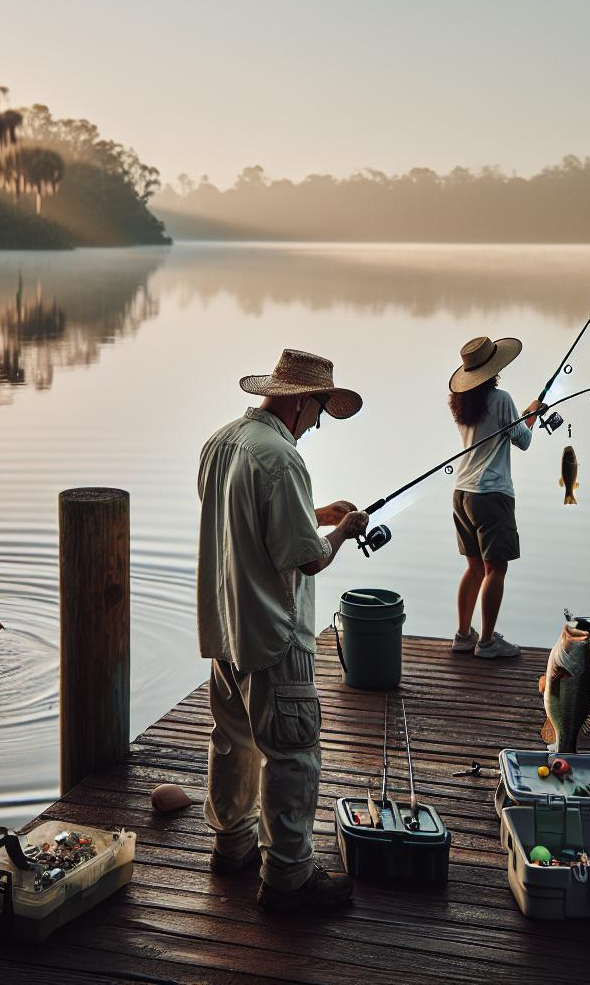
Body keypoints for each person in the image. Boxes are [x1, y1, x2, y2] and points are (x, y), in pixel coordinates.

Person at [196, 348, 370, 912]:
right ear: (301, 402)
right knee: (293, 752)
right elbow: (308, 559)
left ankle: (233, 844)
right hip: (273, 634)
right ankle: (289, 875)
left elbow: (242, 518)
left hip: (224, 626)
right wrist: (343, 530)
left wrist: (314, 512)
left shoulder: (222, 442)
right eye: (319, 410)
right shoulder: (283, 458)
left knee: (232, 741)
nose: (318, 422)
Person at [447, 336, 542, 659]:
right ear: (494, 369)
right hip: (491, 494)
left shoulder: (461, 403)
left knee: (474, 568)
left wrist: (524, 415)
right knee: (495, 570)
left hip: (462, 492)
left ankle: (463, 635)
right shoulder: (501, 400)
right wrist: (531, 414)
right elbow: (523, 441)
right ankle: (486, 641)